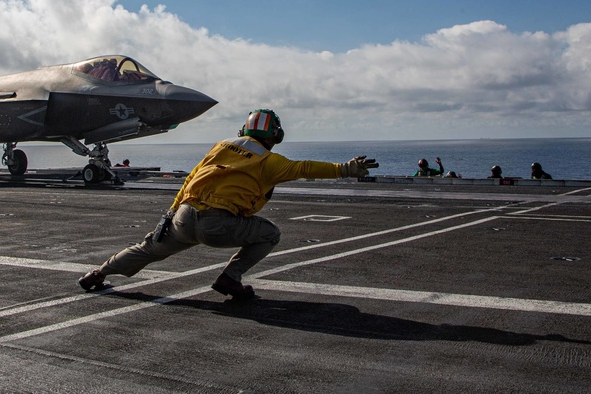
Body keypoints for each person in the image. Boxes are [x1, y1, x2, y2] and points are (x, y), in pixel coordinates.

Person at [77, 109, 378, 300]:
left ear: (243, 131)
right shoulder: (269, 160)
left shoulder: (221, 146)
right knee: (270, 233)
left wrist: (169, 214)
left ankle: (98, 273)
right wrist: (345, 168)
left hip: (184, 216)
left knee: (148, 249)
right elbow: (306, 168)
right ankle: (230, 278)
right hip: (219, 224)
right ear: (276, 136)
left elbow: (192, 177)